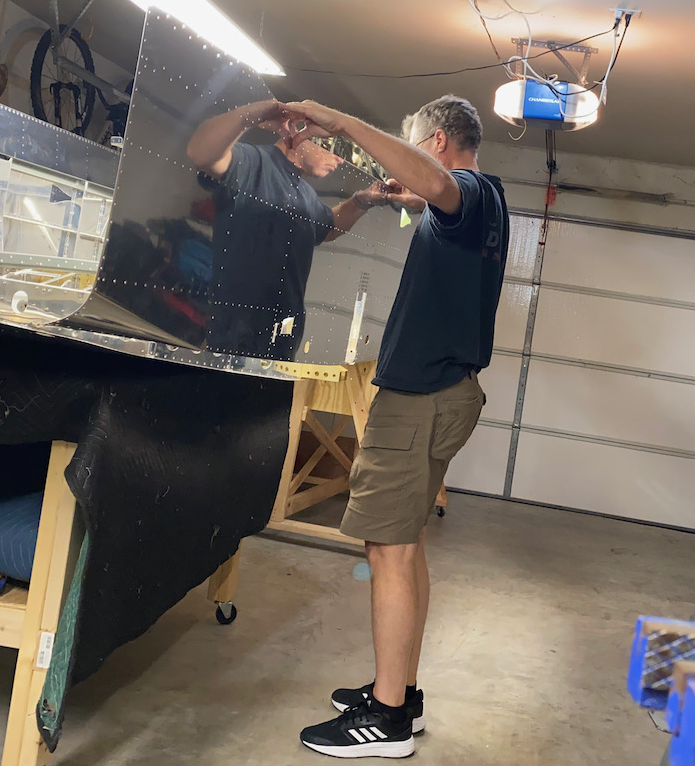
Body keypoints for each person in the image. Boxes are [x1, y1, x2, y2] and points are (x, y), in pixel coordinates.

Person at [284, 95, 510, 759]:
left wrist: (339, 122)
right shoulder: (477, 206)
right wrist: (389, 197)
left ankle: (386, 722)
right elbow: (430, 194)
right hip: (439, 392)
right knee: (404, 544)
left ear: (436, 142)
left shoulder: (466, 190)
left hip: (420, 397)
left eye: (414, 145)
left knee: (386, 549)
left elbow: (439, 185)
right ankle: (400, 694)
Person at [187, 99, 387, 359]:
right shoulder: (253, 162)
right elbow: (201, 153)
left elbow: (327, 227)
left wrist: (363, 200)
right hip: (233, 336)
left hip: (281, 339)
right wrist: (257, 112)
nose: (338, 159)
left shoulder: (304, 194)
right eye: (334, 147)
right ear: (300, 134)